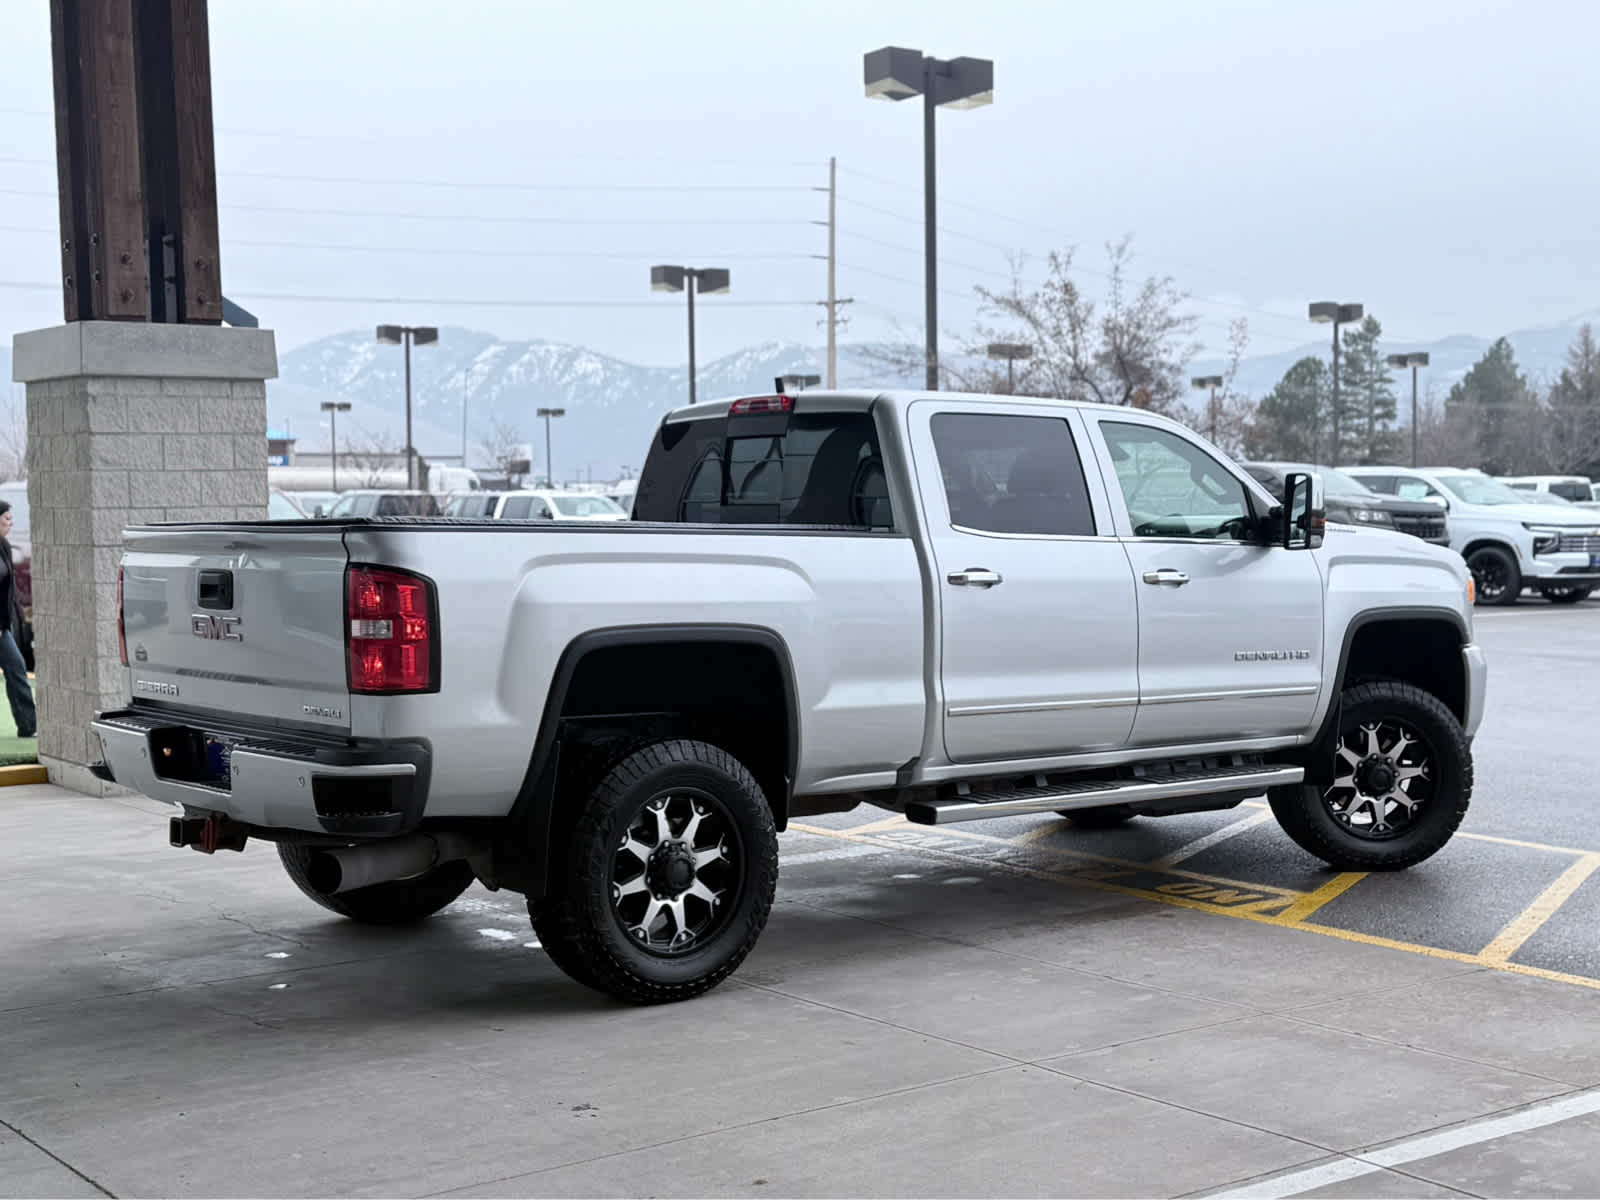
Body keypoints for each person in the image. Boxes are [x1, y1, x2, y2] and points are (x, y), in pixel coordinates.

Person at [0, 500, 36, 738]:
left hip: (3, 627)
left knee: (17, 667)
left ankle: (28, 726)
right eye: (7, 519)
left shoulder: (3, 545)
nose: (11, 524)